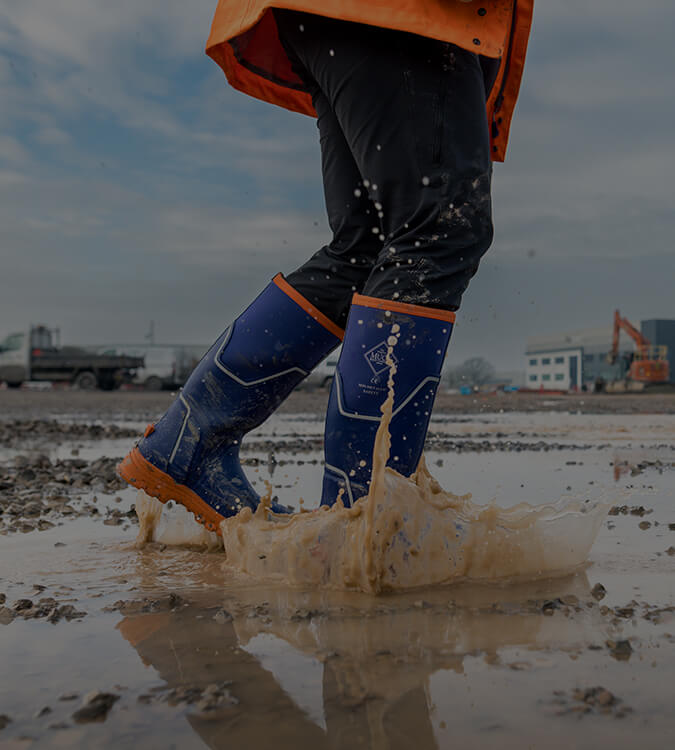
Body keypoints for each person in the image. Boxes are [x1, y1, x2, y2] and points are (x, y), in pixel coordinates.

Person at [118, 1, 534, 532]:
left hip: (334, 13)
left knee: (368, 248)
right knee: (438, 229)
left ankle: (192, 444)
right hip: (401, 12)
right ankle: (365, 526)